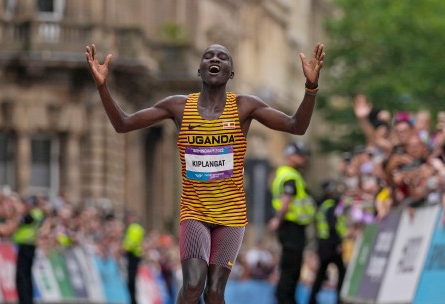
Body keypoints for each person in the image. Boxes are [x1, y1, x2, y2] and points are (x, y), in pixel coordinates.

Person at [86, 41, 325, 304]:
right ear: (200, 69)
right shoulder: (177, 106)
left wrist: (311, 88)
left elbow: (296, 126)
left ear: (231, 73)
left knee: (214, 293)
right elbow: (123, 123)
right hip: (195, 212)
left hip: (231, 216)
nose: (215, 59)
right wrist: (102, 87)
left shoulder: (245, 107)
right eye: (208, 56)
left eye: (223, 57)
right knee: (192, 285)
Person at [268, 141, 316, 304]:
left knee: (290, 267)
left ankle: (286, 298)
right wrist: (277, 220)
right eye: (300, 155)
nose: (303, 158)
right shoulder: (290, 176)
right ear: (290, 156)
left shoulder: (284, 174)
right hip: (292, 227)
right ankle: (285, 300)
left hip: (290, 227)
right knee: (291, 268)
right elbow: (285, 203)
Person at [309, 181, 346, 304]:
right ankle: (340, 299)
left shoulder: (322, 205)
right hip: (331, 244)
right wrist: (338, 243)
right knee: (341, 271)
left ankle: (312, 298)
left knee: (321, 272)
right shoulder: (331, 205)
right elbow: (332, 226)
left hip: (323, 244)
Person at [12, 196, 46, 304]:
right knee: (27, 276)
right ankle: (28, 300)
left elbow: (19, 223)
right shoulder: (39, 214)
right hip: (30, 246)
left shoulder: (32, 214)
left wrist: (19, 213)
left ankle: (25, 300)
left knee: (22, 277)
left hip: (26, 245)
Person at [122, 211, 145, 304]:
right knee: (132, 280)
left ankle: (133, 300)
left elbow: (130, 243)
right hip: (136, 256)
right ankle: (133, 300)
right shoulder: (137, 228)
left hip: (133, 256)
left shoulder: (133, 228)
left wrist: (124, 248)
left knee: (131, 280)